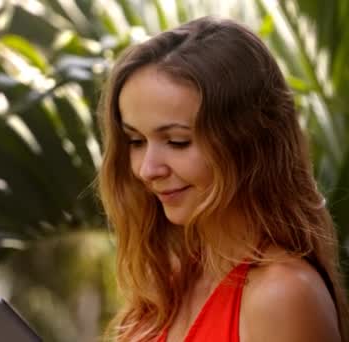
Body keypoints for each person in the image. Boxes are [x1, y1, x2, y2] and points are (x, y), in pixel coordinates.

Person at [97, 16, 348, 341]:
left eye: (177, 141)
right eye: (136, 141)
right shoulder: (167, 285)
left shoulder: (282, 295)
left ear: (247, 142)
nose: (147, 169)